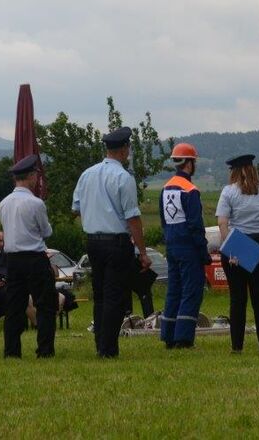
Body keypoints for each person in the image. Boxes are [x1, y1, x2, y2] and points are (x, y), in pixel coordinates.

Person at [72, 127, 151, 358]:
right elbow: (132, 217)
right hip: (116, 242)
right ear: (124, 150)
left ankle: (100, 344)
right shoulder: (123, 177)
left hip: (93, 241)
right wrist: (143, 251)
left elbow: (75, 209)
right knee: (114, 296)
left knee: (100, 295)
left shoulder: (87, 174)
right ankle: (108, 348)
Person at [216, 154, 259, 354]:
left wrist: (233, 249)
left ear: (234, 172)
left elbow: (222, 223)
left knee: (237, 299)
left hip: (236, 243)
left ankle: (237, 346)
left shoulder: (228, 192)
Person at [0, 155, 56, 358]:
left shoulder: (4, 203)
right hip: (34, 258)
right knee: (45, 305)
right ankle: (45, 349)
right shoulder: (36, 203)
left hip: (12, 260)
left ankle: (12, 351)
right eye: (35, 176)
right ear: (31, 176)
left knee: (14, 306)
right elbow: (46, 232)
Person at [159, 142, 210, 349]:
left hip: (171, 246)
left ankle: (169, 335)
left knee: (174, 290)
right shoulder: (190, 190)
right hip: (189, 248)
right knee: (191, 291)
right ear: (189, 163)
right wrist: (203, 251)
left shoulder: (164, 188)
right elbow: (195, 225)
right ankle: (184, 338)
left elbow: (164, 221)